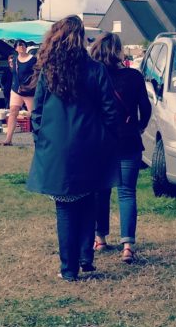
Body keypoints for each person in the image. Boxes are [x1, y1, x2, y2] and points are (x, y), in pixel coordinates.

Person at [26, 16, 121, 282]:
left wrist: (41, 137)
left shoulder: (49, 71)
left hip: (56, 147)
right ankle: (85, 257)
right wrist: (107, 138)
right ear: (81, 39)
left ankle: (70, 269)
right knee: (88, 199)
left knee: (65, 208)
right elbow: (109, 111)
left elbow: (38, 111)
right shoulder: (95, 70)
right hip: (90, 145)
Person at [89, 33, 151, 263]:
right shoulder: (134, 76)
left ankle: (100, 238)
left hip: (100, 141)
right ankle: (127, 246)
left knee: (100, 192)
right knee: (127, 193)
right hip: (128, 140)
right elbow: (145, 109)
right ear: (118, 51)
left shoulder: (93, 75)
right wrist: (138, 127)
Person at [0, 40, 37, 146]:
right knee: (13, 112)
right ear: (16, 49)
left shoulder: (33, 60)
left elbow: (36, 75)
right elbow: (14, 75)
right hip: (16, 90)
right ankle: (8, 139)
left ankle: (39, 137)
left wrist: (31, 86)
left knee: (34, 114)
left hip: (28, 91)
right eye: (19, 46)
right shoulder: (15, 60)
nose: (21, 47)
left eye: (23, 45)